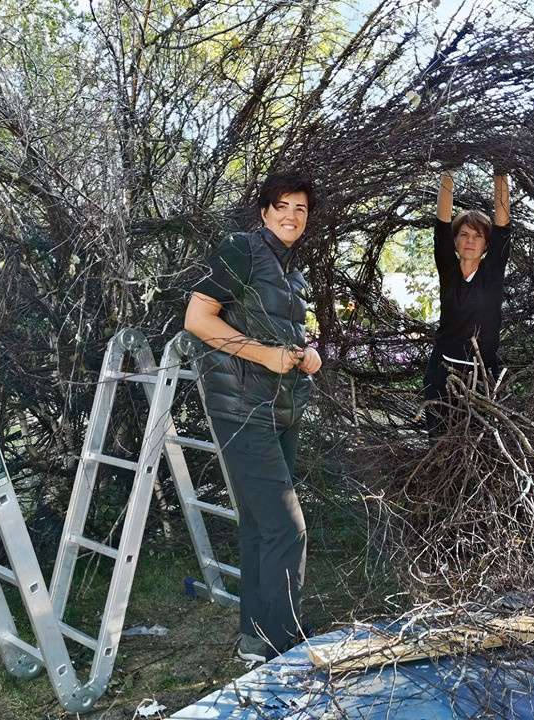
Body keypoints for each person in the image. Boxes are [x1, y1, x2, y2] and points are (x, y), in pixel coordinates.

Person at [184, 170, 321, 663]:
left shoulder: (292, 271)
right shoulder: (240, 248)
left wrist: (308, 353)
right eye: (282, 206)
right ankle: (285, 645)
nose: (291, 216)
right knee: (287, 528)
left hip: (280, 409)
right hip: (242, 410)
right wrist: (265, 356)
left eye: (300, 209)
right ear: (265, 212)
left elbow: (282, 329)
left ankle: (255, 641)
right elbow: (198, 320)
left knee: (260, 526)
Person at [423, 167, 512, 436]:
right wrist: (448, 172)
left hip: (480, 378)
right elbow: (441, 224)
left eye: (478, 236)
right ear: (456, 241)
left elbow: (503, 226)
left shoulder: (492, 271)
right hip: (441, 374)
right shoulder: (448, 270)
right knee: (439, 445)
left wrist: (500, 172)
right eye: (464, 234)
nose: (470, 241)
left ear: (487, 245)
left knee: (477, 449)